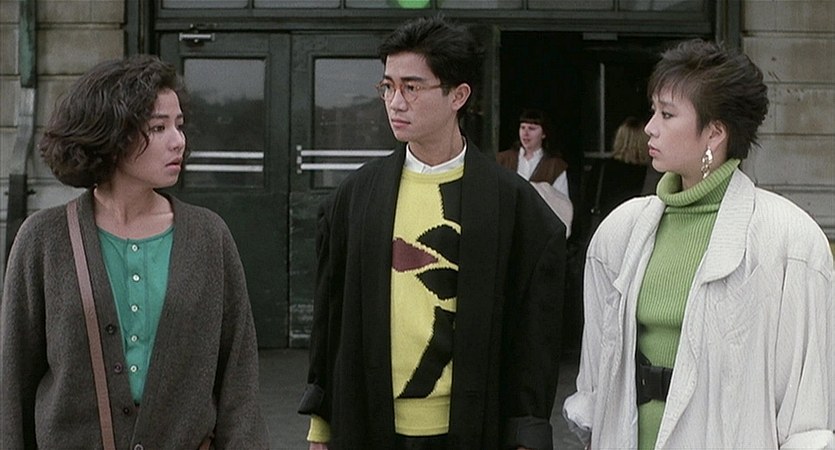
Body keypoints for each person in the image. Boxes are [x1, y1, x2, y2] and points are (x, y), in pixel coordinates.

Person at [298, 16, 566, 450]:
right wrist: (320, 425)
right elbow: (331, 320)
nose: (395, 102)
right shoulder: (355, 197)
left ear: (458, 95)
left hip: (472, 429)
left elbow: (535, 338)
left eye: (412, 87)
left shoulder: (513, 205)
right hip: (369, 425)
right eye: (387, 87)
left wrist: (527, 434)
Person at [563, 38, 834, 449]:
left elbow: (805, 406)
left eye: (667, 114)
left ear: (715, 132)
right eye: (653, 110)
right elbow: (598, 376)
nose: (650, 127)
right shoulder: (621, 233)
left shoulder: (789, 241)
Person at [0, 55, 269, 448]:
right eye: (158, 128)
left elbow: (238, 377)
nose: (178, 141)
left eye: (179, 125)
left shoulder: (209, 237)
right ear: (112, 135)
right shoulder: (43, 240)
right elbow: (14, 382)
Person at [496, 109, 572, 235]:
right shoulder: (503, 160)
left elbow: (562, 205)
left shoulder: (555, 165)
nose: (525, 133)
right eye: (523, 127)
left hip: (539, 231)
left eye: (532, 128)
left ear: (543, 134)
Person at [589, 116, 651, 221]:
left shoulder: (602, 167)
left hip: (605, 223)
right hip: (633, 224)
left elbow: (588, 200)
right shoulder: (649, 173)